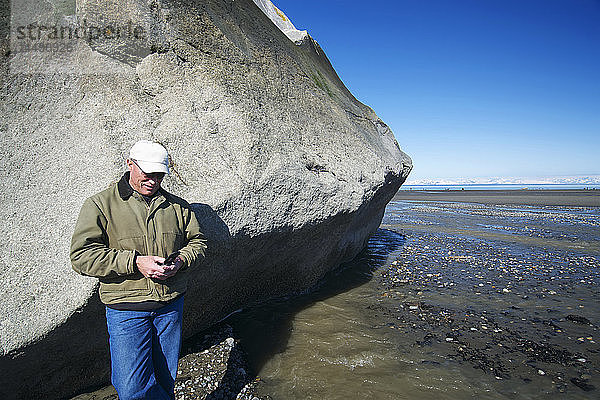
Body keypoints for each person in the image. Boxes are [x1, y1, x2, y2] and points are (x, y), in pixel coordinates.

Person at [70, 140, 207, 400]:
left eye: (159, 174)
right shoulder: (99, 205)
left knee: (166, 380)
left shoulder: (176, 206)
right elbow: (81, 257)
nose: (154, 180)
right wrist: (134, 262)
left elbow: (198, 242)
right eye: (148, 173)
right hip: (126, 308)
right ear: (129, 164)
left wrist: (180, 261)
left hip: (170, 305)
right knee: (132, 388)